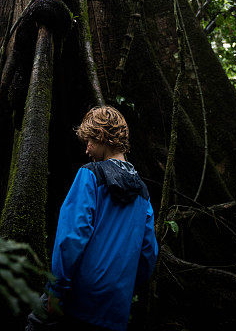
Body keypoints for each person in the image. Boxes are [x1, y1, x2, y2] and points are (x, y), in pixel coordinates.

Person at [44, 106, 159, 331]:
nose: (87, 149)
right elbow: (149, 253)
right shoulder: (142, 192)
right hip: (117, 306)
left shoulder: (89, 175)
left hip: (79, 298)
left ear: (102, 137)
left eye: (89, 141)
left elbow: (71, 238)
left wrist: (56, 290)